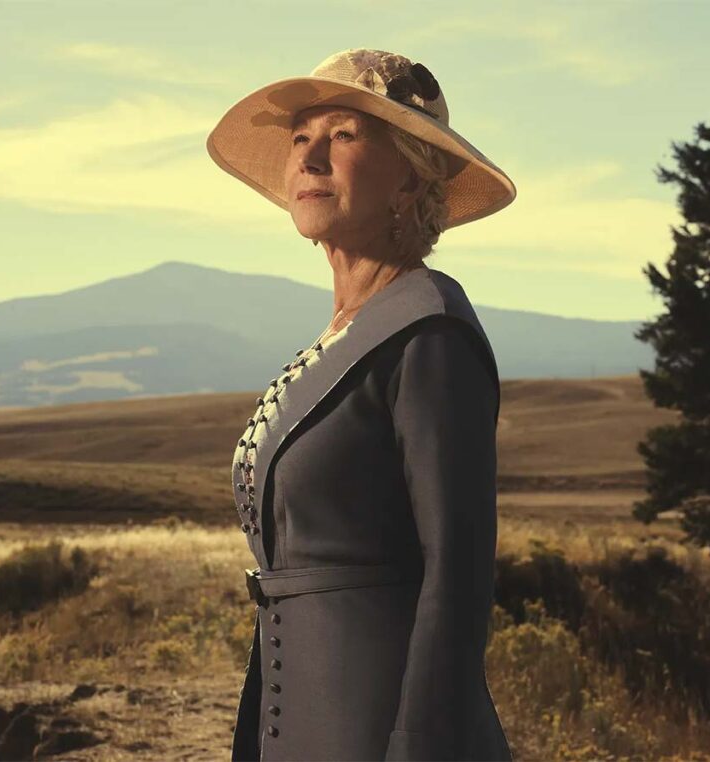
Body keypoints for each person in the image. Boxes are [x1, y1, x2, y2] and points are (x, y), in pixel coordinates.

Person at [206, 48, 517, 761]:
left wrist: (416, 748)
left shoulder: (429, 331)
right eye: (300, 138)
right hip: (301, 729)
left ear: (410, 175)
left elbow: (458, 579)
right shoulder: (342, 335)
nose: (310, 159)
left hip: (383, 732)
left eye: (344, 136)